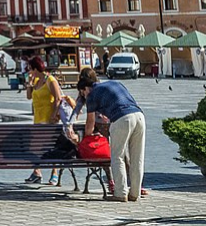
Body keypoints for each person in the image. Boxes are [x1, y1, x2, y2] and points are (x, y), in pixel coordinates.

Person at [76, 66, 145, 202]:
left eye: (82, 93)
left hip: (122, 119)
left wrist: (86, 138)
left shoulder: (91, 95)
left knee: (117, 156)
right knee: (137, 157)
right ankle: (135, 193)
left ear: (85, 89)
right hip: (139, 116)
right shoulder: (113, 83)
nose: (84, 96)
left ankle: (120, 193)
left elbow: (90, 123)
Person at [25, 55, 63, 184]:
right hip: (38, 119)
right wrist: (29, 84)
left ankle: (54, 173)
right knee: (36, 147)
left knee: (51, 147)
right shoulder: (35, 82)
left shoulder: (50, 80)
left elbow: (58, 98)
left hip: (49, 118)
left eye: (30, 69)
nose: (29, 72)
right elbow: (29, 97)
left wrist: (54, 115)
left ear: (36, 69)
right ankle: (37, 172)